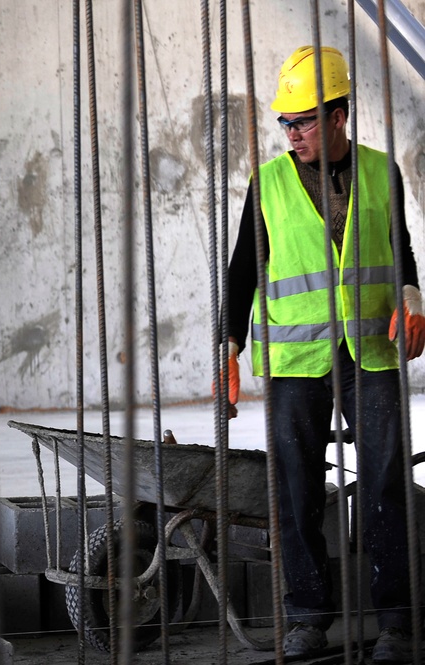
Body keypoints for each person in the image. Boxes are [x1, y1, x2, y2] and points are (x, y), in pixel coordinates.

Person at [223, 45, 424, 662]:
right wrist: (228, 347)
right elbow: (242, 275)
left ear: (339, 116)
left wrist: (414, 302)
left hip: (371, 353)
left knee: (389, 483)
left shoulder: (380, 172)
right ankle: (308, 616)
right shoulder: (269, 183)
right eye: (285, 122)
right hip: (295, 363)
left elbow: (403, 255)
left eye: (304, 120)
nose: (292, 134)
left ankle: (396, 619)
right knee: (297, 488)